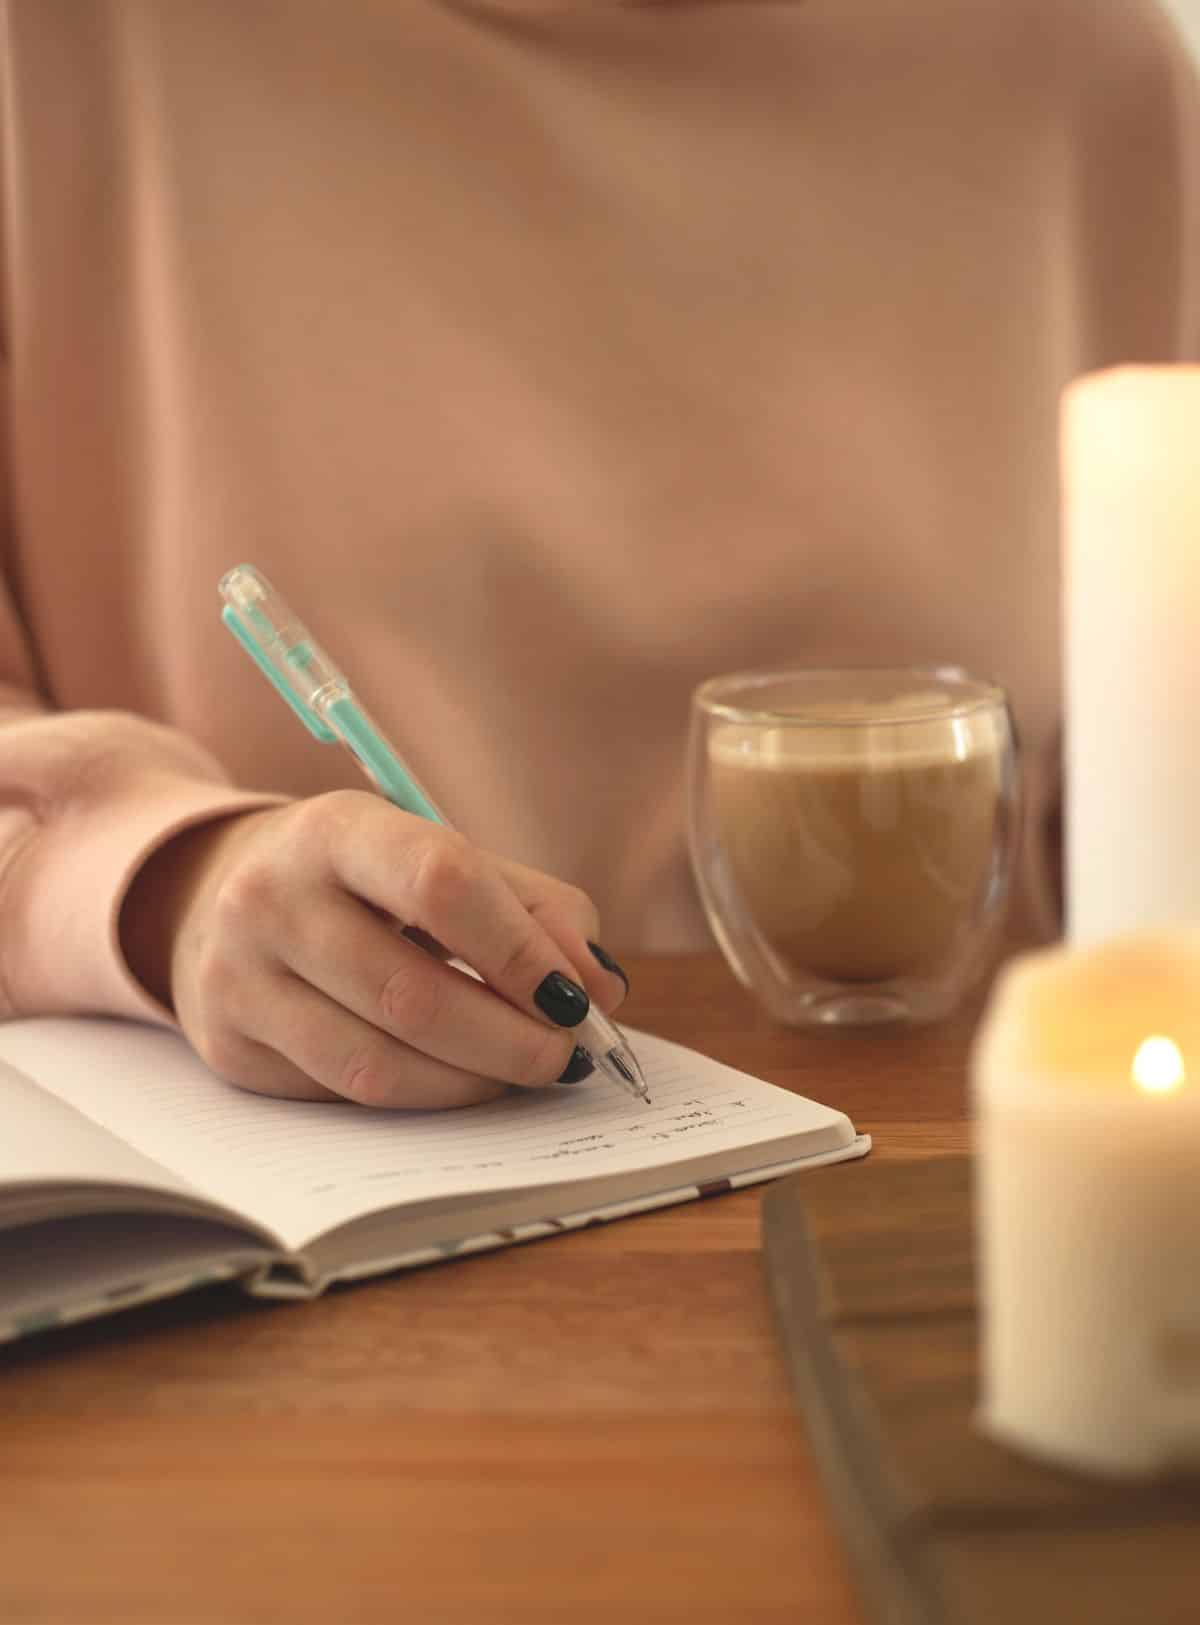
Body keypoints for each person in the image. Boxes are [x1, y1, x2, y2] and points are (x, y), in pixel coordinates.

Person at [0, 0, 1196, 1108]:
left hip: (969, 1180)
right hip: (327, 1211)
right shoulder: (57, 50)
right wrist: (168, 884)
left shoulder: (1084, 74)